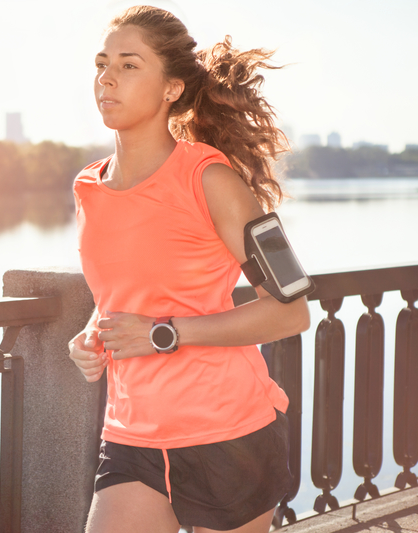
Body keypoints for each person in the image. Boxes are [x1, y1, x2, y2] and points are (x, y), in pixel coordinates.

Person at [67, 5, 311, 533]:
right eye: (102, 63)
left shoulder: (211, 179)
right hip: (132, 435)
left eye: (129, 65)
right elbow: (120, 291)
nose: (107, 78)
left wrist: (162, 333)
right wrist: (92, 333)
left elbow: (291, 312)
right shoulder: (88, 187)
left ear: (171, 88)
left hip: (230, 434)